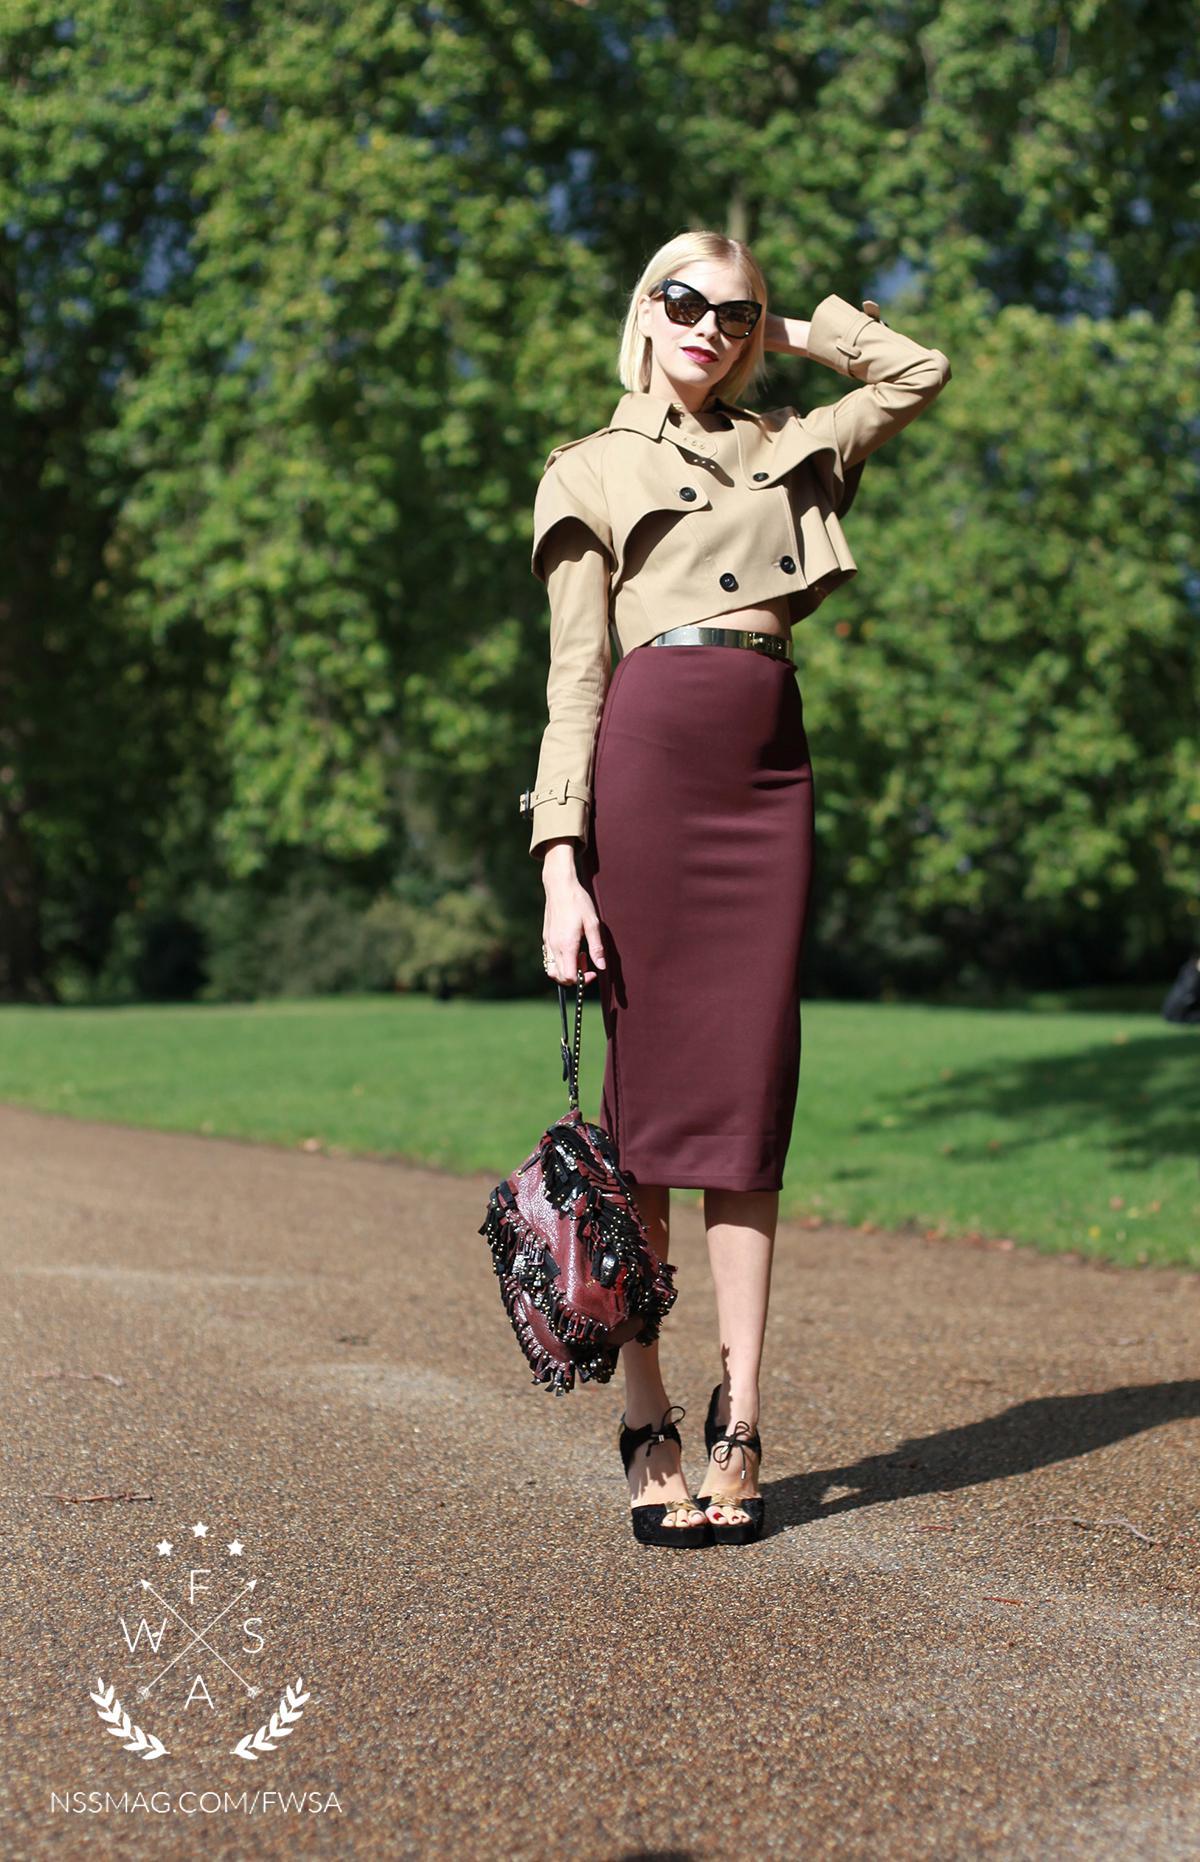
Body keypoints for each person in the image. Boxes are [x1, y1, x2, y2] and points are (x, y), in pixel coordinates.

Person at [518, 228, 951, 1546]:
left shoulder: (786, 441)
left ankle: (742, 1420)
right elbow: (575, 683)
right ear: (643, 309)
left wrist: (798, 327)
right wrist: (560, 865)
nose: (710, 325)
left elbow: (916, 370)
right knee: (649, 1119)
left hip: (768, 778)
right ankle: (646, 1408)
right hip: (649, 768)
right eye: (687, 300)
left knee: (749, 1107)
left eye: (736, 311)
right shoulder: (588, 467)